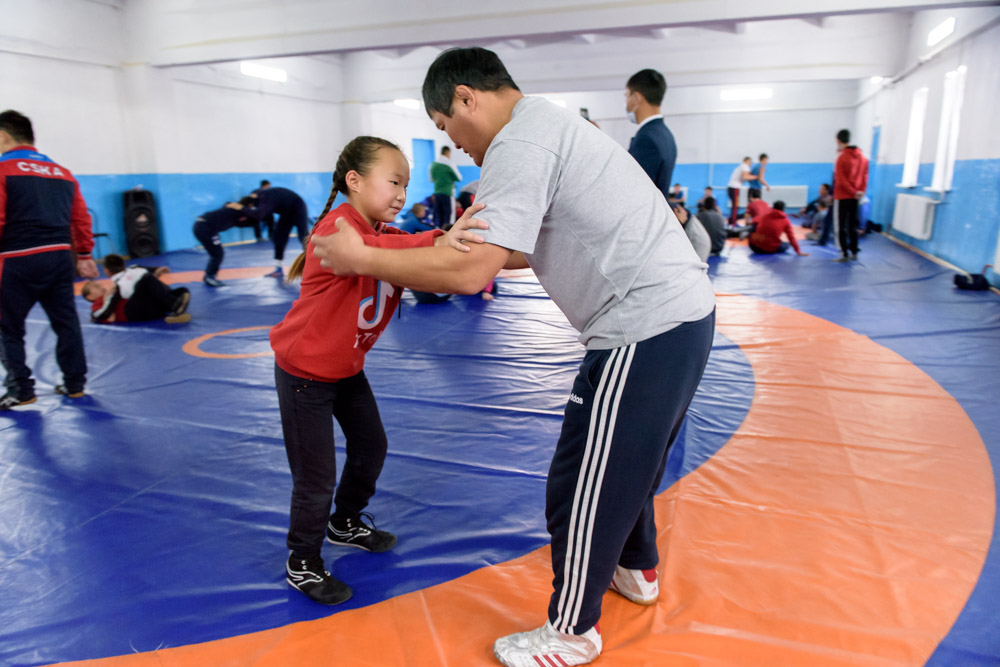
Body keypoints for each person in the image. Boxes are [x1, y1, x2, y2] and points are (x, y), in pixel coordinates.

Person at [310, 47, 715, 667]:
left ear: (466, 98)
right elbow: (518, 249)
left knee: (582, 483)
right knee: (623, 465)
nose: (457, 144)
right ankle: (636, 569)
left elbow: (472, 274)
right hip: (678, 316)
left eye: (446, 126)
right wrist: (450, 245)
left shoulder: (520, 143)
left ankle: (571, 632)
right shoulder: (548, 124)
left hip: (644, 324)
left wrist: (362, 258)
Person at [270, 135, 487, 606]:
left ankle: (344, 521)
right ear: (355, 180)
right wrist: (437, 241)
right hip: (305, 372)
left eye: (406, 186)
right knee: (315, 477)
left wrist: (445, 238)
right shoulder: (338, 228)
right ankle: (302, 560)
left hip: (345, 367)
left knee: (372, 446)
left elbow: (398, 243)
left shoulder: (379, 232)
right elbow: (373, 248)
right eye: (393, 183)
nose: (401, 195)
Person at [0, 110, 98, 409]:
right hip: (59, 258)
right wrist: (84, 254)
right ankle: (75, 385)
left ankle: (21, 390)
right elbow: (80, 216)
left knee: (7, 327)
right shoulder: (62, 172)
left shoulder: (3, 169)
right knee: (66, 322)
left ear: (3, 136)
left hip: (16, 259)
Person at [83, 253, 190, 324]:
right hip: (133, 313)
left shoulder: (118, 284)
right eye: (95, 286)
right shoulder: (98, 303)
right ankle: (174, 305)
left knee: (181, 290)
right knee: (145, 279)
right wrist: (107, 298)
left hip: (146, 309)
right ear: (89, 296)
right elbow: (103, 316)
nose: (100, 286)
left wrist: (155, 270)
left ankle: (174, 302)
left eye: (98, 284)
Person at [625, 68, 677, 201]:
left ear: (636, 98)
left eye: (627, 96)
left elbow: (632, 190)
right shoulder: (666, 134)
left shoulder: (646, 139)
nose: (626, 103)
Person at [192, 197, 256, 287]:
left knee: (217, 253)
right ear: (249, 205)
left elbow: (243, 222)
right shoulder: (236, 210)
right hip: (205, 227)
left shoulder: (234, 213)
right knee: (217, 253)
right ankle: (210, 277)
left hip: (206, 227)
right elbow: (254, 215)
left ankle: (209, 276)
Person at [252, 185, 311, 278]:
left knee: (303, 236)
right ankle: (278, 269)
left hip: (298, 207)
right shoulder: (264, 197)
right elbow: (263, 215)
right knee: (278, 237)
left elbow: (259, 215)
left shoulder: (265, 197)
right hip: (286, 212)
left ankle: (314, 265)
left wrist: (242, 210)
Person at [833, 129, 868, 262]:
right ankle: (854, 251)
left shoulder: (842, 158)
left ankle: (844, 253)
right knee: (852, 225)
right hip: (856, 197)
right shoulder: (863, 158)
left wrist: (852, 191)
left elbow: (841, 180)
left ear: (838, 140)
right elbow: (865, 177)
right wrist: (860, 191)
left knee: (841, 226)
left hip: (843, 196)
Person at [430, 146, 462, 230]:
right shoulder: (449, 164)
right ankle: (449, 234)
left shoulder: (433, 164)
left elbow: (431, 179)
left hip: (437, 193)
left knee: (439, 216)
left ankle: (440, 234)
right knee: (449, 217)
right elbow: (459, 178)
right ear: (448, 153)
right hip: (448, 193)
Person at [726, 156, 758, 226]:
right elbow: (745, 177)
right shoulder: (745, 166)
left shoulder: (740, 167)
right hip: (734, 188)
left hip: (731, 187)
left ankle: (731, 221)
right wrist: (757, 177)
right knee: (735, 206)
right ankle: (733, 223)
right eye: (750, 162)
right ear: (747, 161)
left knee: (735, 206)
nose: (751, 164)